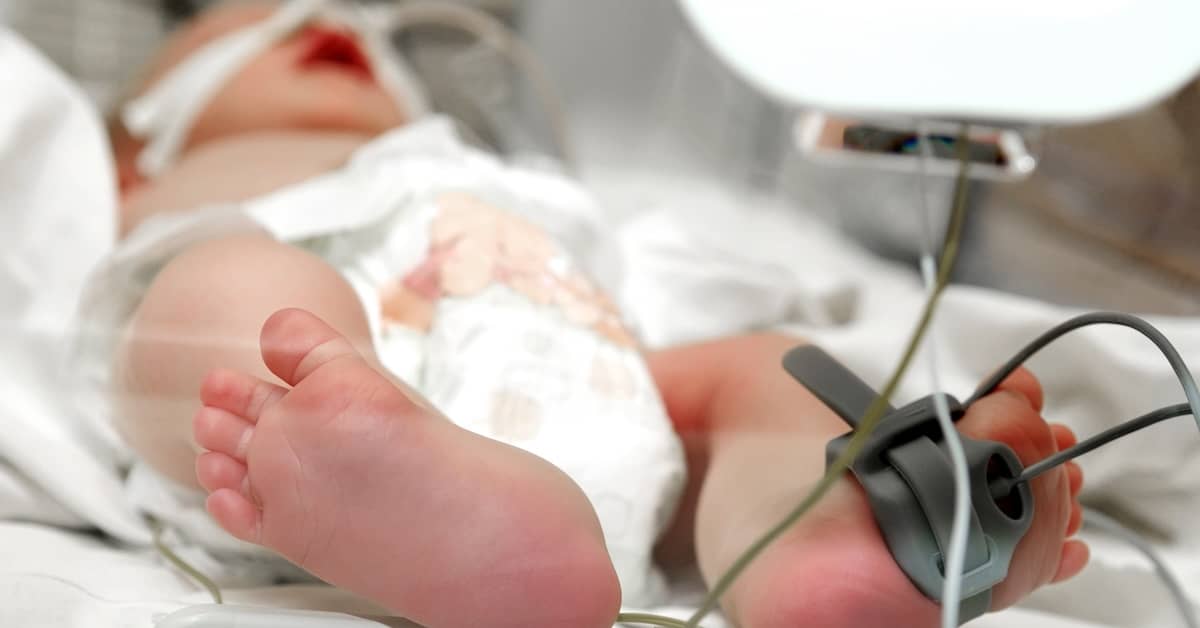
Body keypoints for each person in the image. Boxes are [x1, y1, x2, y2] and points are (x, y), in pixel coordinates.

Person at [98, 2, 1088, 626]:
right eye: (249, 21)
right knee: (227, 289)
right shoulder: (164, 183)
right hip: (313, 398)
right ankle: (396, 479)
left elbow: (628, 305)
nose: (337, 21)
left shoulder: (493, 173)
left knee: (767, 370)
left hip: (575, 373)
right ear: (132, 149)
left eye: (372, 32)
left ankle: (820, 557)